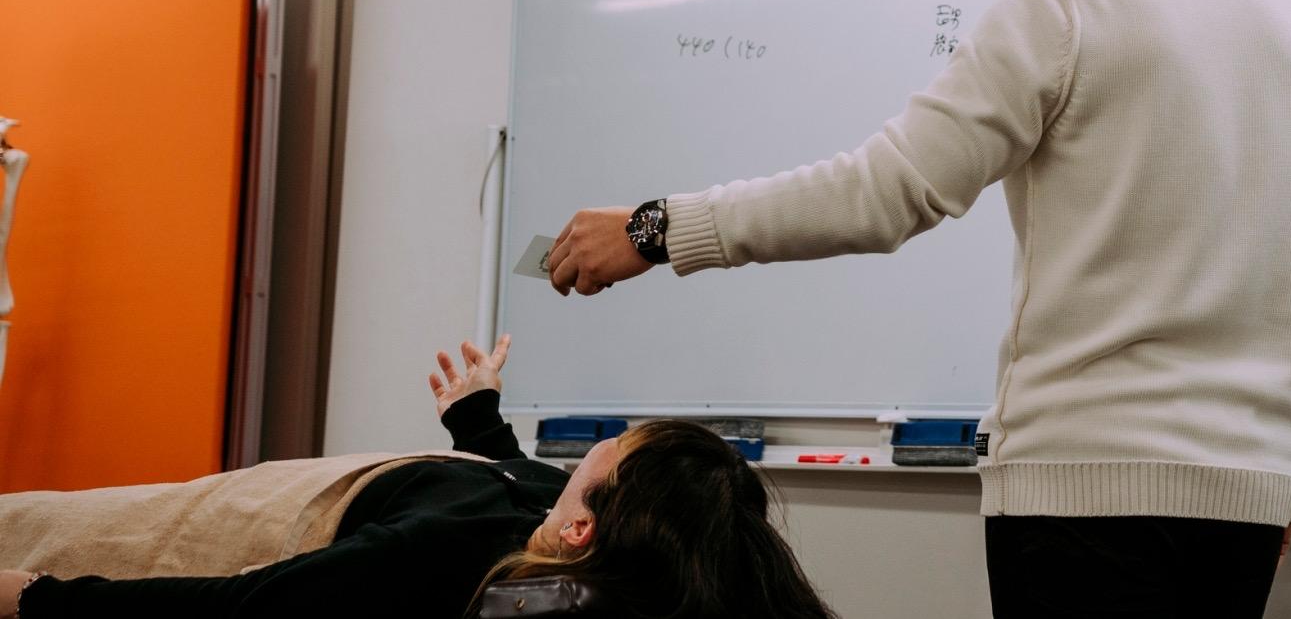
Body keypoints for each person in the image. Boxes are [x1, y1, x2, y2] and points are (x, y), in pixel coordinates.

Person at [547, 0, 1291, 619]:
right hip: (1245, 506)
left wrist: (656, 228)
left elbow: (886, 190)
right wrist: (1290, 475)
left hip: (1079, 495)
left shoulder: (1067, 5)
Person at [0, 335, 836, 619]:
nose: (606, 439)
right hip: (365, 477)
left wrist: (36, 597)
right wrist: (477, 416)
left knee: (28, 526)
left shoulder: (449, 556)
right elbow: (518, 475)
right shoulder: (575, 530)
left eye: (617, 443)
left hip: (271, 518)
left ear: (580, 526)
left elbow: (245, 606)